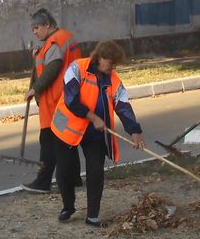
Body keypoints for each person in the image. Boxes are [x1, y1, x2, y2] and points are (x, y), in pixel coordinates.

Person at [51, 40, 145, 227]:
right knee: (65, 170)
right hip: (66, 129)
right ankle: (68, 207)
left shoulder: (114, 80)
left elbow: (123, 106)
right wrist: (93, 117)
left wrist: (134, 131)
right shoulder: (77, 68)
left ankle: (92, 215)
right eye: (111, 63)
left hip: (94, 133)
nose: (113, 67)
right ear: (100, 58)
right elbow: (71, 99)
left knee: (96, 170)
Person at [22, 8, 82, 193]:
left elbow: (53, 68)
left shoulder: (55, 42)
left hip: (55, 101)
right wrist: (38, 55)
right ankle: (74, 178)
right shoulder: (63, 38)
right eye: (32, 28)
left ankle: (43, 182)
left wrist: (36, 88)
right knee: (66, 140)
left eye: (37, 27)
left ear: (48, 25)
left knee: (48, 142)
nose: (34, 31)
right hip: (66, 99)